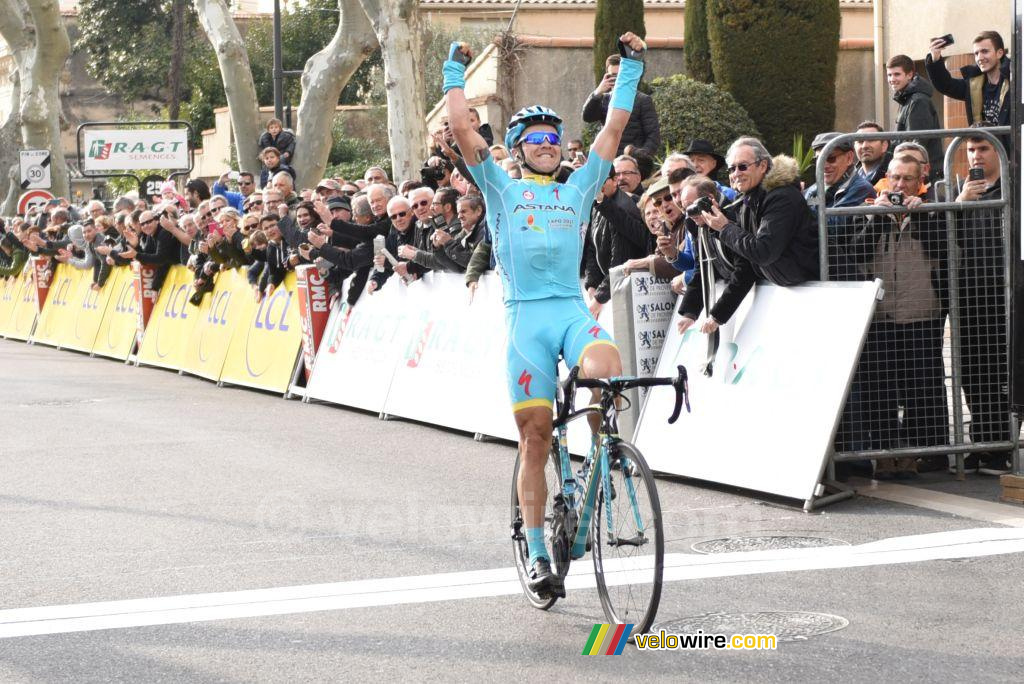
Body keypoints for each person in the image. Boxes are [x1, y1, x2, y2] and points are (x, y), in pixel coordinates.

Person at [444, 31, 647, 598]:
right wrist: (453, 74)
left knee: (607, 367)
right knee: (534, 437)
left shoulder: (580, 187)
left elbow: (613, 128)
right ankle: (537, 554)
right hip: (525, 323)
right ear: (514, 147)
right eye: (534, 138)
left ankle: (597, 460)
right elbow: (463, 129)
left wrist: (630, 68)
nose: (547, 144)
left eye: (553, 138)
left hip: (569, 311)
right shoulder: (500, 188)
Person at [848, 155, 949, 479]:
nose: (900, 186)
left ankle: (922, 454)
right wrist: (880, 217)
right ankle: (885, 453)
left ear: (920, 181)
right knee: (882, 389)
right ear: (886, 179)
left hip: (921, 313)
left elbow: (941, 252)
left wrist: (919, 217)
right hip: (881, 315)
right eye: (896, 179)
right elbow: (857, 254)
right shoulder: (869, 211)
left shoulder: (930, 212)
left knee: (922, 387)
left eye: (907, 179)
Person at [953, 131, 1011, 475]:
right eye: (971, 149)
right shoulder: (963, 188)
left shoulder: (1012, 188)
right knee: (972, 371)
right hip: (970, 291)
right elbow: (949, 236)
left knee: (1001, 369)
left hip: (1003, 292)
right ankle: (982, 440)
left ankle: (1000, 444)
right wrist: (960, 202)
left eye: (983, 148)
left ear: (998, 151)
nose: (976, 155)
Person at [701, 137, 819, 286]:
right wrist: (717, 219)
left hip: (820, 288)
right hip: (792, 287)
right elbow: (744, 243)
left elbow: (763, 252)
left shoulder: (782, 197)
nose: (736, 173)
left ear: (762, 166)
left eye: (742, 166)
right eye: (732, 169)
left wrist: (724, 228)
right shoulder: (748, 197)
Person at [804, 132, 877, 281]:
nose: (824, 165)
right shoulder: (812, 189)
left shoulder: (862, 189)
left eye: (830, 158)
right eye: (819, 160)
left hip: (846, 276)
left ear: (849, 158)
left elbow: (831, 226)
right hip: (817, 272)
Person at [582, 53, 661, 158]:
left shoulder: (643, 100)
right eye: (613, 75)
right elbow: (587, 117)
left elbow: (653, 136)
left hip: (632, 161)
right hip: (608, 161)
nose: (617, 79)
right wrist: (597, 92)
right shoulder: (604, 99)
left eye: (620, 75)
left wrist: (640, 158)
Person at [886, 55, 943, 176]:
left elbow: (917, 143)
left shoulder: (918, 101)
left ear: (910, 75)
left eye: (897, 74)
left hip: (921, 173)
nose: (892, 79)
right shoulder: (907, 99)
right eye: (889, 75)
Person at [853, 120, 892, 187]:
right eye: (860, 141)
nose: (865, 146)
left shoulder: (895, 174)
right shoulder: (848, 177)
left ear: (884, 145)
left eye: (871, 140)